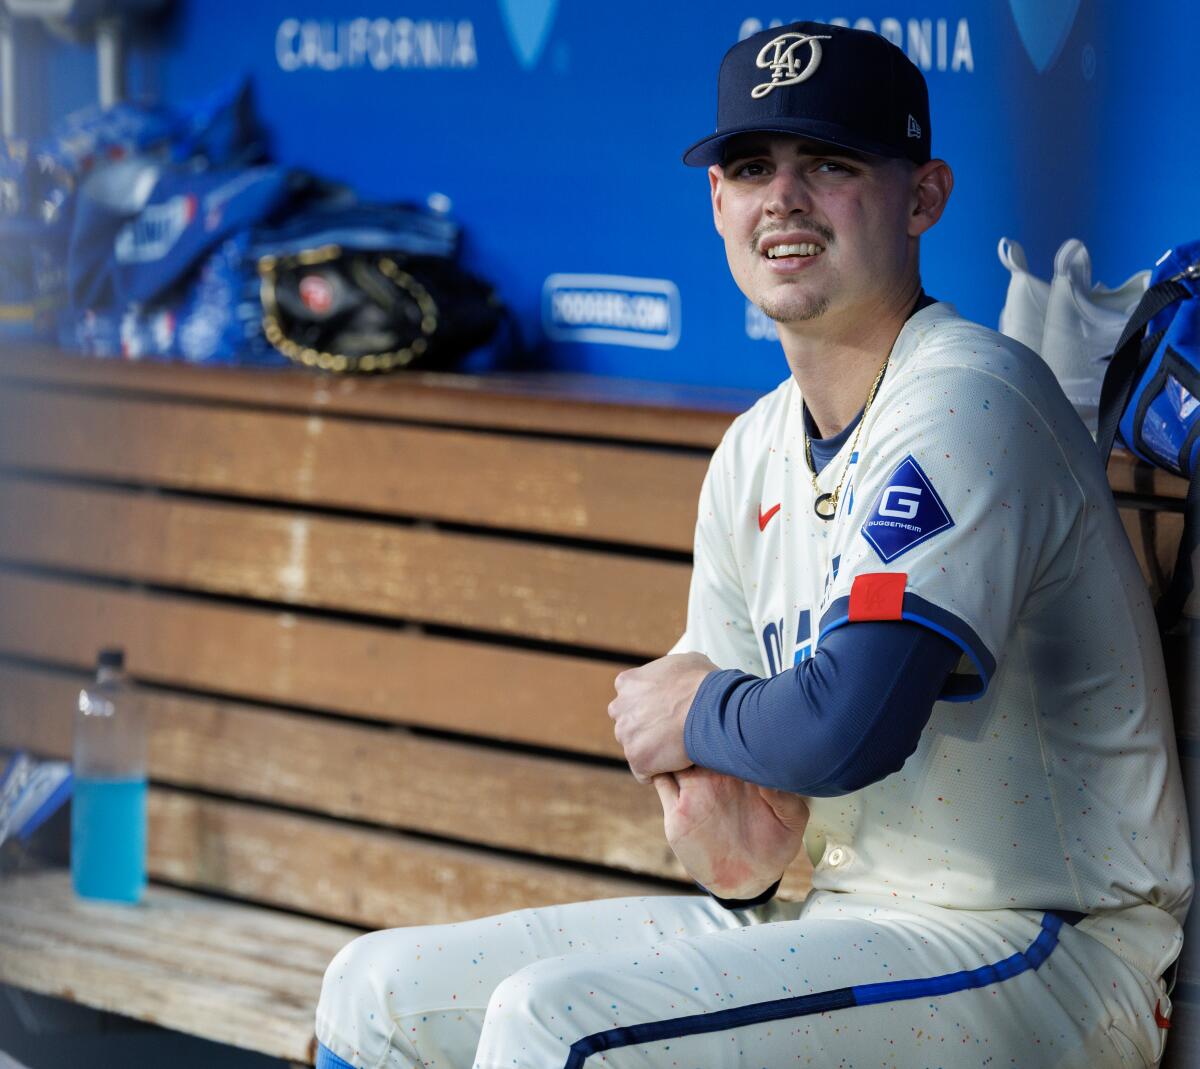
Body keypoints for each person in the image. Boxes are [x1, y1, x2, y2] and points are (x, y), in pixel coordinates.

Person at [313, 22, 1191, 1069]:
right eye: (750, 167)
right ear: (719, 205)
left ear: (923, 197)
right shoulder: (752, 454)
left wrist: (698, 713)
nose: (783, 198)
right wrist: (733, 820)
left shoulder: (969, 395)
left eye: (830, 163)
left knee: (561, 1030)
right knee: (373, 992)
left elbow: (840, 731)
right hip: (846, 918)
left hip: (1049, 947)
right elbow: (746, 835)